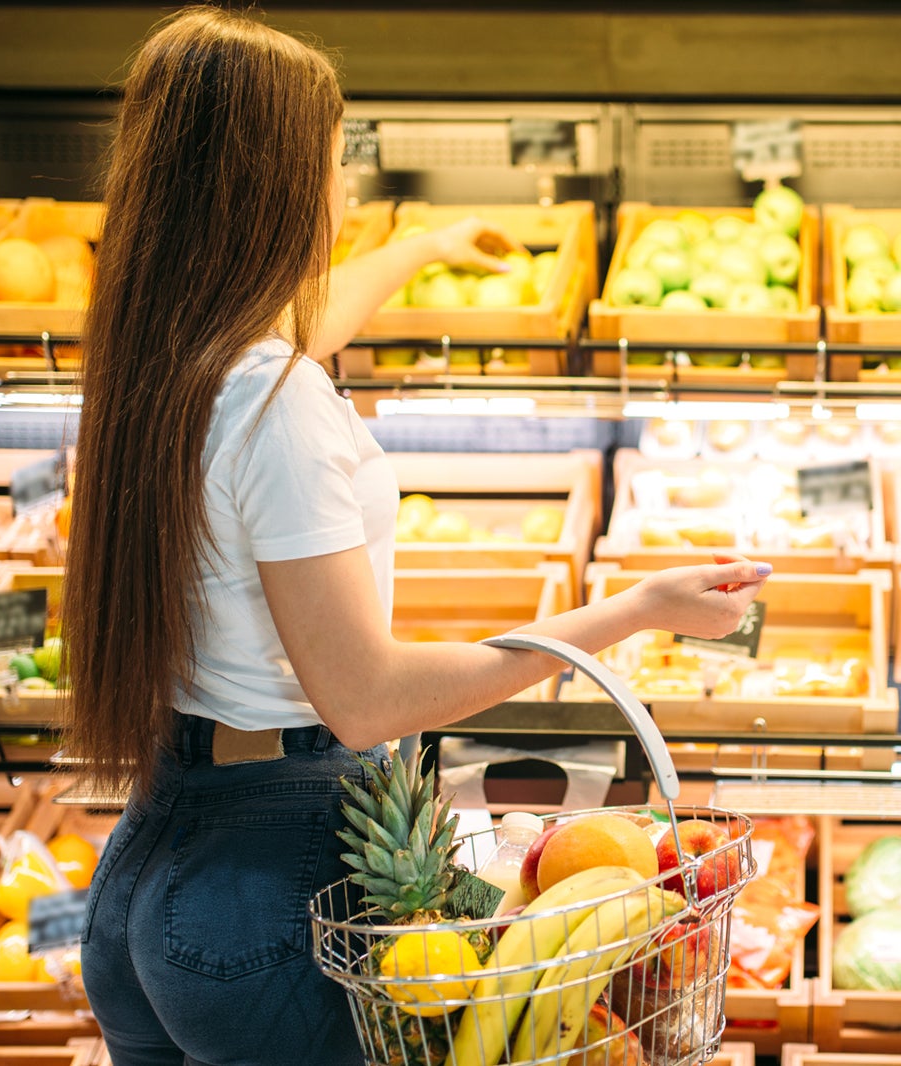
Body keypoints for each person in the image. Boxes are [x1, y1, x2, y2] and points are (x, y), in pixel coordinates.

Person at [62, 9, 770, 1065]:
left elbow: (309, 320)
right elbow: (367, 697)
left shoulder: (160, 355)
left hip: (161, 850)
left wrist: (425, 247)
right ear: (274, 186)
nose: (342, 188)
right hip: (279, 884)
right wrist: (633, 612)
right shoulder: (279, 405)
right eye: (335, 160)